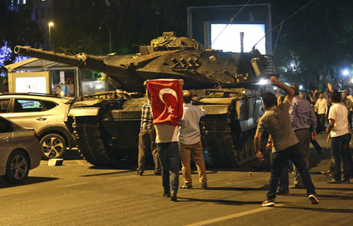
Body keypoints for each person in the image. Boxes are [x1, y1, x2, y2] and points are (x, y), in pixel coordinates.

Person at [254, 76, 319, 207]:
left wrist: (258, 151)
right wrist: (278, 83)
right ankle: (311, 192)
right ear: (275, 101)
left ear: (264, 103)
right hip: (294, 145)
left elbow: (257, 137)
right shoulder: (283, 108)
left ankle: (270, 198)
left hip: (279, 149)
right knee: (303, 169)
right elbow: (291, 92)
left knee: (275, 175)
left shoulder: (264, 118)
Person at [145, 79, 184, 202]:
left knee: (164, 169)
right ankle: (174, 191)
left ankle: (166, 191)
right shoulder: (174, 118)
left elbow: (152, 102)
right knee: (174, 170)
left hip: (160, 145)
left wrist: (148, 87)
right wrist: (180, 87)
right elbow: (179, 103)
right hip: (173, 145)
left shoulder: (156, 118)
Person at [289, 84, 317, 189]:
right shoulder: (306, 102)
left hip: (296, 132)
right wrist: (313, 130)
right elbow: (313, 117)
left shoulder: (292, 103)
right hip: (306, 131)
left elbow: (291, 119)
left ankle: (298, 181)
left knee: (296, 157)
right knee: (305, 156)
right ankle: (305, 180)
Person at [179, 91, 207, 189]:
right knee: (200, 161)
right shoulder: (197, 109)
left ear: (181, 99)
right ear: (191, 99)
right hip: (196, 139)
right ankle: (203, 181)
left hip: (184, 140)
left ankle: (187, 182)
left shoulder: (180, 110)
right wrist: (202, 109)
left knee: (185, 163)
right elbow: (204, 112)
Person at [326, 91, 351, 184]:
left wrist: (328, 130)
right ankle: (346, 177)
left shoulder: (333, 108)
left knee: (335, 157)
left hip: (337, 134)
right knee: (345, 156)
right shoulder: (343, 107)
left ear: (330, 99)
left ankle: (337, 177)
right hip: (345, 133)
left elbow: (332, 122)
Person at [136, 95, 161, 176]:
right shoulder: (155, 106)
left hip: (143, 129)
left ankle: (140, 169)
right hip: (152, 129)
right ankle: (158, 169)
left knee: (142, 151)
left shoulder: (144, 106)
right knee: (155, 149)